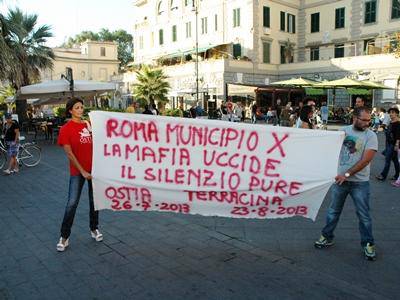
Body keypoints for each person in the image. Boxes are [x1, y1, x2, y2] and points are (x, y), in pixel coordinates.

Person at [314, 106, 378, 260]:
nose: (367, 123)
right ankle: (327, 236)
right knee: (333, 211)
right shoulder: (343, 131)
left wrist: (347, 174)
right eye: (364, 120)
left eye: (369, 120)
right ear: (354, 118)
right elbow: (329, 150)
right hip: (340, 180)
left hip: (360, 182)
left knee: (363, 215)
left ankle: (368, 243)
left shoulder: (371, 136)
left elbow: (366, 160)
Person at [56, 98, 103, 252]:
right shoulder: (66, 129)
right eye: (77, 107)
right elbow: (69, 153)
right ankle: (64, 236)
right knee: (72, 203)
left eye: (82, 107)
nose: (81, 110)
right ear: (70, 110)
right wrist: (82, 171)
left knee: (94, 201)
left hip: (95, 170)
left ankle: (94, 228)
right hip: (78, 172)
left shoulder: (88, 125)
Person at [376, 107, 400, 181]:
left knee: (387, 160)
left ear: (396, 113)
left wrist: (397, 145)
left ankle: (383, 176)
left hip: (393, 144)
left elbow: (398, 135)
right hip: (388, 143)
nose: (391, 114)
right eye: (390, 113)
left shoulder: (398, 123)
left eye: (393, 112)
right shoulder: (391, 122)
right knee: (395, 160)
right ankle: (397, 175)